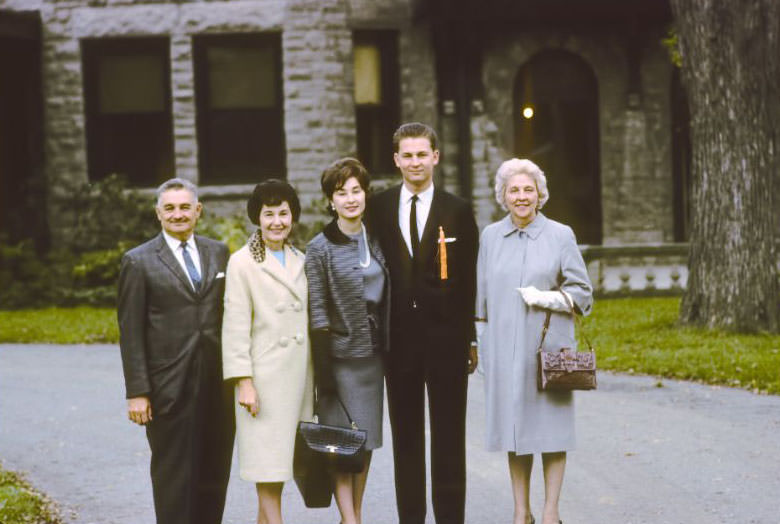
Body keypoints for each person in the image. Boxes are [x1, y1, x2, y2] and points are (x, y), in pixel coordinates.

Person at [367, 122, 479, 524]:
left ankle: (451, 517)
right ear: (397, 160)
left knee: (449, 437)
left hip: (446, 340)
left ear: (436, 156)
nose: (415, 162)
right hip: (399, 342)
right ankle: (410, 517)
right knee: (407, 439)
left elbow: (468, 280)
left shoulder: (458, 210)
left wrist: (470, 339)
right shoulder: (378, 208)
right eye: (407, 155)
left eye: (421, 154)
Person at [475, 159, 593, 524]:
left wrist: (544, 298)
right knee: (516, 432)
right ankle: (520, 511)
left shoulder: (561, 234)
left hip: (549, 351)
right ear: (503, 196)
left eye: (528, 190)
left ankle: (550, 512)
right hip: (504, 350)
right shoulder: (490, 236)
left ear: (540, 195)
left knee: (552, 432)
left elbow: (583, 294)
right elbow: (480, 300)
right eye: (514, 190)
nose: (521, 196)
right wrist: (480, 345)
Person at [117, 177, 235, 524]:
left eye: (185, 207)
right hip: (168, 385)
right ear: (158, 213)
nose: (178, 214)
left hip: (217, 381)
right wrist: (138, 392)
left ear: (198, 211)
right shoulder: (138, 262)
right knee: (174, 476)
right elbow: (131, 331)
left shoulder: (219, 252)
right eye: (170, 208)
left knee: (214, 471)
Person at [221, 179, 313, 524]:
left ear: (293, 216)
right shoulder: (241, 263)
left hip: (298, 378)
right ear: (257, 218)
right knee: (267, 467)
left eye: (284, 213)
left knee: (281, 466)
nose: (277, 221)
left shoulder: (300, 259)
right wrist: (243, 382)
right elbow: (235, 326)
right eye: (269, 214)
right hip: (263, 383)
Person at [304, 157, 389, 524]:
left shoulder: (380, 237)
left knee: (364, 442)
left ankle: (353, 515)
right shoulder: (319, 247)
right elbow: (318, 311)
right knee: (339, 444)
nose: (351, 199)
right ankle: (351, 519)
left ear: (365, 195)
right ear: (330, 200)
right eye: (342, 193)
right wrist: (324, 372)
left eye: (356, 191)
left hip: (373, 359)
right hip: (338, 361)